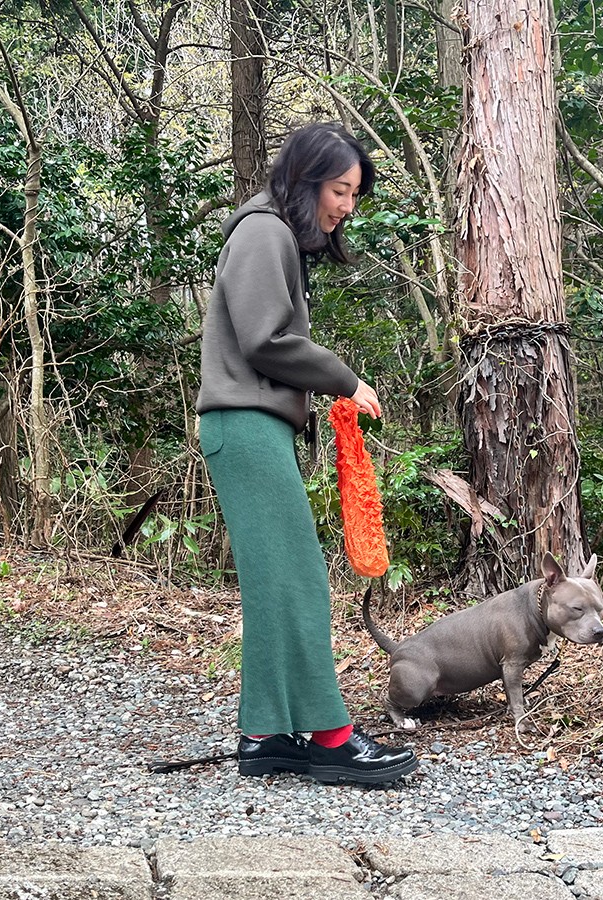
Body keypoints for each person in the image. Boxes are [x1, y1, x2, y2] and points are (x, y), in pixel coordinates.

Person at [196, 122, 418, 785]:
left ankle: (266, 735)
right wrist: (344, 379)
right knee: (297, 584)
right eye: (340, 190)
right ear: (305, 180)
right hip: (245, 424)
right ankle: (329, 738)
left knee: (277, 587)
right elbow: (265, 340)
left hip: (251, 426)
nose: (346, 207)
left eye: (353, 195)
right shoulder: (262, 231)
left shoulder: (268, 233)